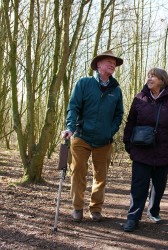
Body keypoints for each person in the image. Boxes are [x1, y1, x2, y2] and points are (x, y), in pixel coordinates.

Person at [122, 67, 168, 232]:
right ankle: (133, 217)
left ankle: (153, 211)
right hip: (141, 149)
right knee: (139, 185)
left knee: (159, 185)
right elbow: (131, 122)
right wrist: (127, 142)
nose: (149, 78)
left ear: (162, 80)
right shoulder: (139, 98)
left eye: (153, 76)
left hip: (163, 149)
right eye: (149, 76)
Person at [62, 50, 124, 222]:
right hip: (81, 137)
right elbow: (73, 107)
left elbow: (119, 114)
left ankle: (96, 209)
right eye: (108, 62)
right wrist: (70, 127)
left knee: (101, 176)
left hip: (104, 141)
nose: (112, 65)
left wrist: (110, 131)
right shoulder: (84, 83)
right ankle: (77, 208)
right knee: (78, 172)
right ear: (98, 64)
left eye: (114, 63)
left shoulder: (116, 90)